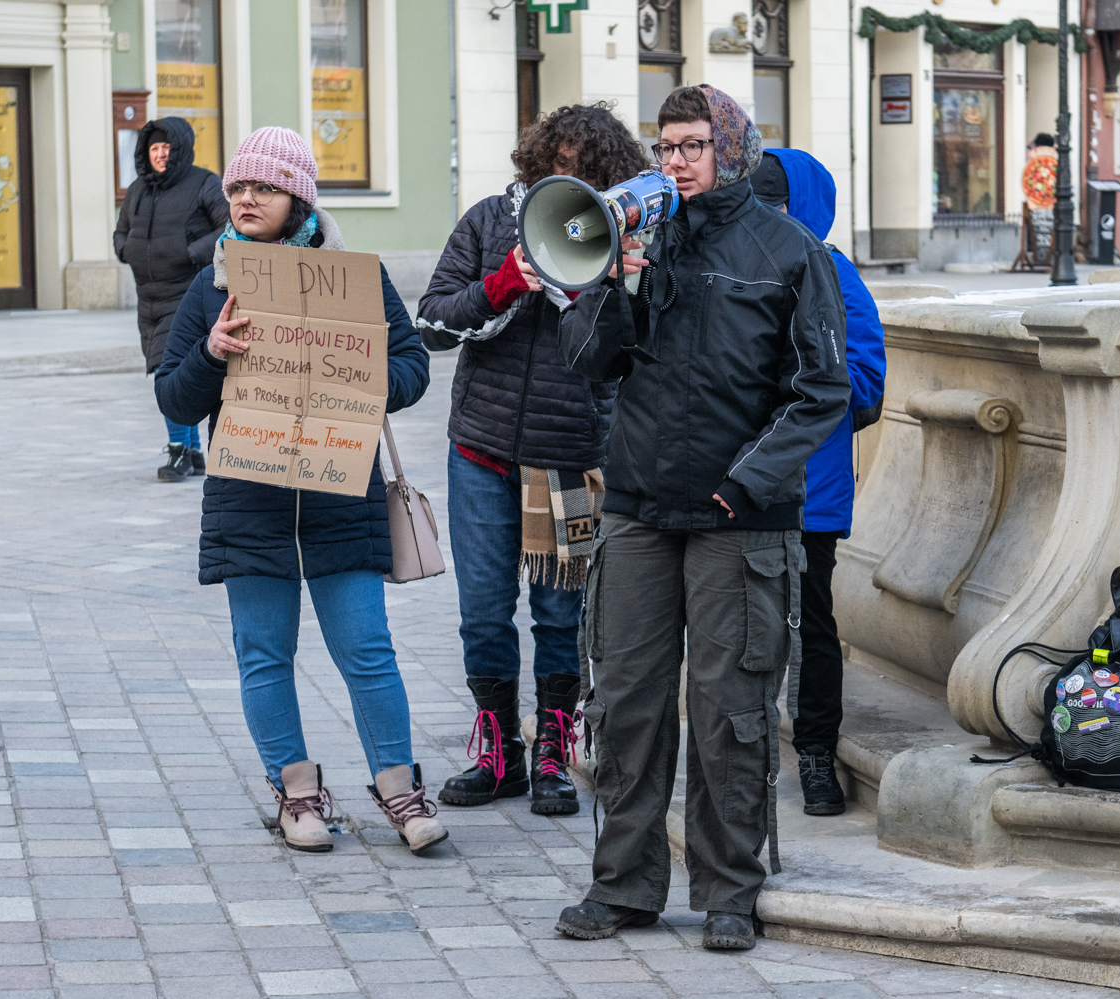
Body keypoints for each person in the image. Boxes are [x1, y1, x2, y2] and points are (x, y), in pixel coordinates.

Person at [554, 86, 850, 951]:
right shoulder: (640, 238)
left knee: (732, 712)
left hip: (738, 519)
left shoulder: (791, 251)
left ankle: (729, 889)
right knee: (627, 703)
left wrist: (750, 480)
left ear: (732, 149)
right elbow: (586, 359)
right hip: (642, 507)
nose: (675, 161)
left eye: (692, 145)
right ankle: (624, 885)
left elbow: (821, 389)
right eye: (665, 146)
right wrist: (614, 281)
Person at [154, 127, 445, 856]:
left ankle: (398, 785)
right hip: (247, 496)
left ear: (299, 198)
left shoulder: (353, 276)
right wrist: (212, 353)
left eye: (265, 188)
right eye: (239, 189)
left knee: (367, 648)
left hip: (336, 491)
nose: (247, 199)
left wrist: (364, 376)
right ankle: (296, 791)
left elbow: (411, 365)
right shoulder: (212, 283)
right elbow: (174, 398)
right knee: (263, 653)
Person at [416, 103, 649, 816]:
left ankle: (553, 748)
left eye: (586, 168)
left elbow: (638, 354)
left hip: (571, 458)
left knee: (558, 614)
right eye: (560, 161)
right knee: (484, 612)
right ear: (539, 160)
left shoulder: (625, 240)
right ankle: (498, 754)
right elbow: (431, 322)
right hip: (481, 450)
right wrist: (504, 284)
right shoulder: (490, 221)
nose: (568, 174)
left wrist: (621, 283)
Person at [749, 149, 886, 817]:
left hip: (808, 487)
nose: (764, 218)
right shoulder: (729, 262)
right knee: (740, 626)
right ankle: (742, 754)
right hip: (733, 485)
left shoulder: (832, 271)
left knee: (809, 627)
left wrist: (797, 385)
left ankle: (814, 753)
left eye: (775, 206)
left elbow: (867, 383)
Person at [114, 117, 230, 482]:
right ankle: (194, 451)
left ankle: (179, 451)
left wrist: (191, 251)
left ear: (180, 150)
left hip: (184, 295)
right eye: (154, 149)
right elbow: (121, 231)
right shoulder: (138, 190)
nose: (161, 155)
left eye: (167, 148)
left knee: (168, 368)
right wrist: (123, 249)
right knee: (166, 368)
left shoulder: (204, 183)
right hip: (147, 296)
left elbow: (229, 228)